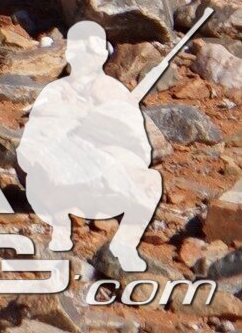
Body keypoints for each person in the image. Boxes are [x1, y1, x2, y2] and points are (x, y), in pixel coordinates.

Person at [17, 18, 168, 272]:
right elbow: (34, 142)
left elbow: (142, 150)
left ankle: (124, 247)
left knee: (150, 180)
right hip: (66, 169)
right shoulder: (57, 91)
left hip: (107, 170)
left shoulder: (116, 92)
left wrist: (113, 130)